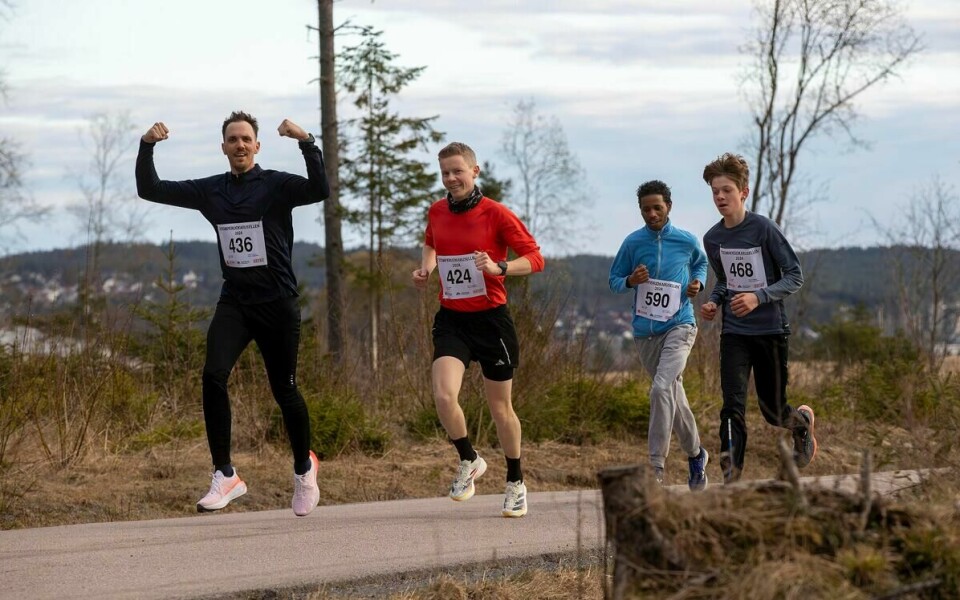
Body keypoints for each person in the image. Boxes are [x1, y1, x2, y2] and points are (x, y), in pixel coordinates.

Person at [135, 111, 330, 516]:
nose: (239, 144)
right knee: (213, 375)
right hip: (236, 302)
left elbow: (319, 188)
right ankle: (225, 474)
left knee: (285, 389)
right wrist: (146, 145)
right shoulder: (212, 190)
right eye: (232, 139)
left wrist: (306, 141)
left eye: (245, 139)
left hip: (277, 302)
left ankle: (303, 467)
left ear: (257, 145)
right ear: (223, 147)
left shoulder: (276, 184)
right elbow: (150, 189)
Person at [411, 142, 544, 518]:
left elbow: (536, 258)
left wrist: (500, 268)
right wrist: (426, 268)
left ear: (474, 171)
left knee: (501, 408)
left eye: (458, 171)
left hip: (491, 321)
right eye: (445, 173)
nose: (451, 178)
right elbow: (431, 243)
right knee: (443, 395)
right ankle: (469, 459)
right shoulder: (437, 211)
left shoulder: (496, 213)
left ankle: (515, 480)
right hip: (452, 318)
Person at [699, 152, 817, 484]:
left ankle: (801, 425)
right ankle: (731, 479)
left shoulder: (763, 229)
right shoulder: (713, 238)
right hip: (734, 333)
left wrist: (758, 296)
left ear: (743, 192)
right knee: (731, 407)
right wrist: (714, 302)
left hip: (770, 331)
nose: (720, 197)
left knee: (773, 410)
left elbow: (794, 276)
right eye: (715, 191)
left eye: (726, 190)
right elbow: (725, 280)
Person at [609, 180, 710, 490]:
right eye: (645, 209)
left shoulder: (685, 240)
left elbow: (701, 263)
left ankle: (655, 466)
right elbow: (614, 280)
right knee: (671, 393)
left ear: (669, 206)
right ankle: (697, 455)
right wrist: (630, 280)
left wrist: (698, 284)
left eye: (657, 207)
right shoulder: (633, 243)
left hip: (680, 324)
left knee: (660, 388)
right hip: (645, 333)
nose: (651, 214)